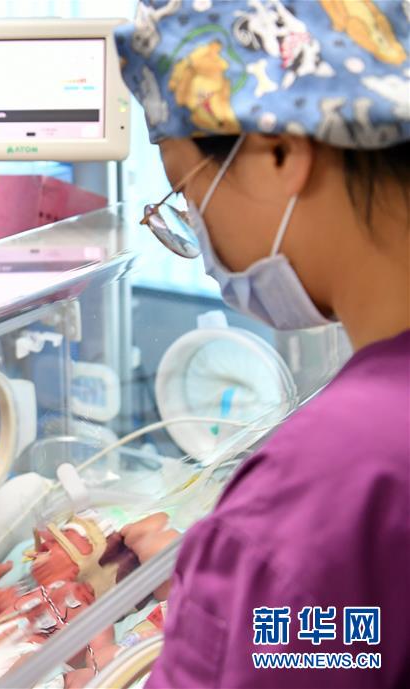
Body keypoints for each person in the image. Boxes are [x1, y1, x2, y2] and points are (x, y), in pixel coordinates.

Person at [115, 1, 409, 687]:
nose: (200, 238)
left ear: (279, 152)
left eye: (186, 194)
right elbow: (353, 637)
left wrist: (237, 590)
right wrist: (231, 596)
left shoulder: (329, 479)